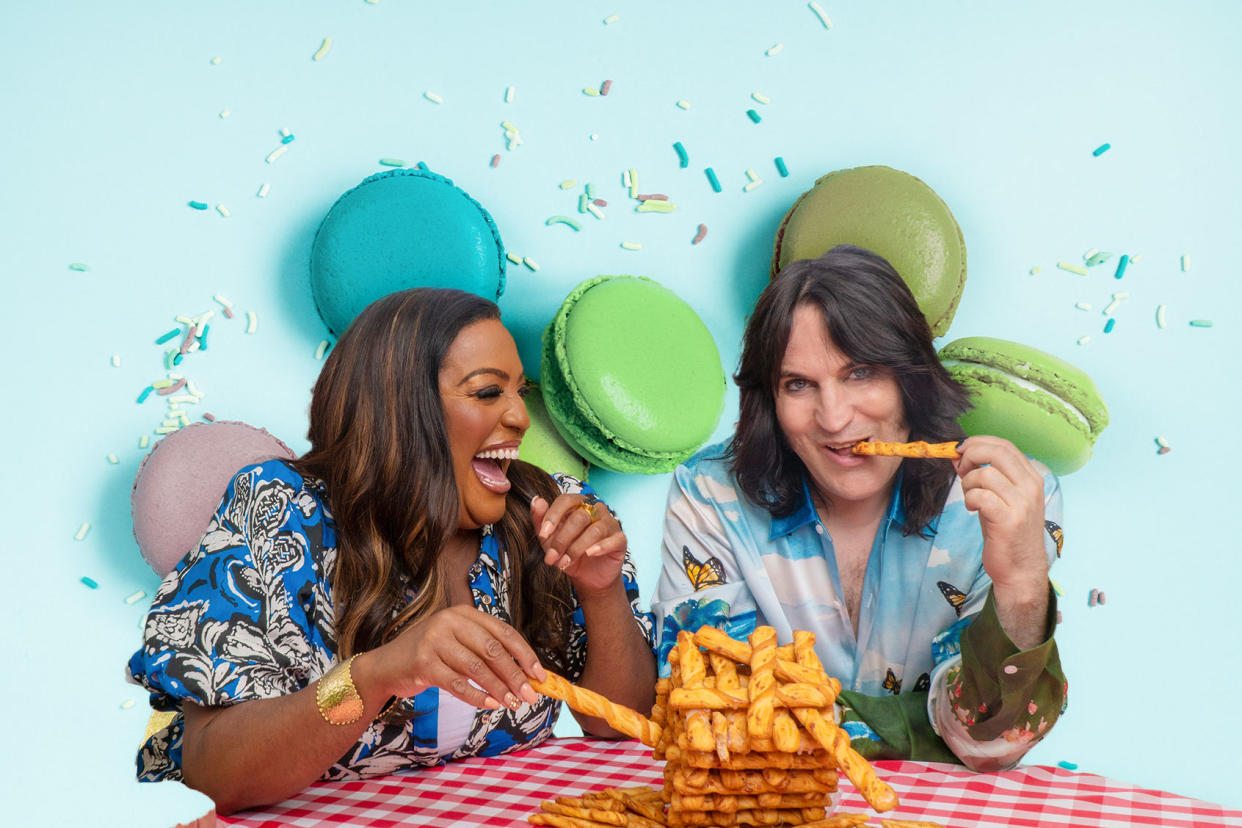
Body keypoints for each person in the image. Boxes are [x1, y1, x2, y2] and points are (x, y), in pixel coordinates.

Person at [128, 288, 656, 814]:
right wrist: (375, 675)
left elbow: (618, 722)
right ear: (401, 407)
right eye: (488, 392)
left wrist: (600, 588)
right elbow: (217, 770)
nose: (520, 416)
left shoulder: (545, 509)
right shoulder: (280, 512)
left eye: (519, 391)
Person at [651, 245, 1065, 771]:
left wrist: (1022, 583)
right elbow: (712, 714)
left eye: (861, 374)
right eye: (798, 384)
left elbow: (988, 740)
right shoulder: (710, 494)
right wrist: (920, 727)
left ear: (910, 378)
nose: (834, 417)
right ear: (770, 403)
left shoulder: (1014, 497)